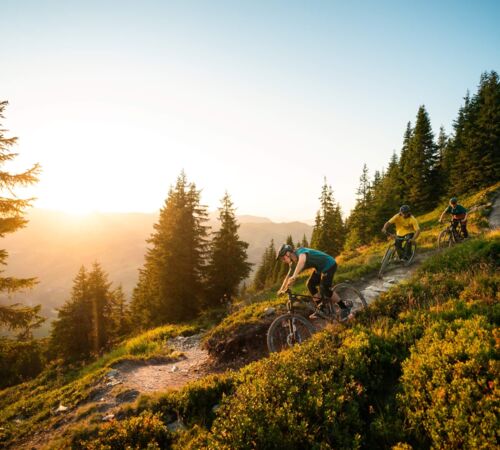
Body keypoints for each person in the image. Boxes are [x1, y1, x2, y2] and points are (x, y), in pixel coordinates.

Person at [276, 244, 351, 320]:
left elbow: (302, 260)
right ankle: (322, 309)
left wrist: (295, 276)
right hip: (319, 269)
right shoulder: (292, 264)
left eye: (283, 257)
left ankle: (344, 307)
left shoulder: (300, 251)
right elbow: (287, 277)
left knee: (324, 288)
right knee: (310, 284)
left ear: (288, 253)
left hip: (329, 264)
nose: (282, 260)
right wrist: (281, 290)